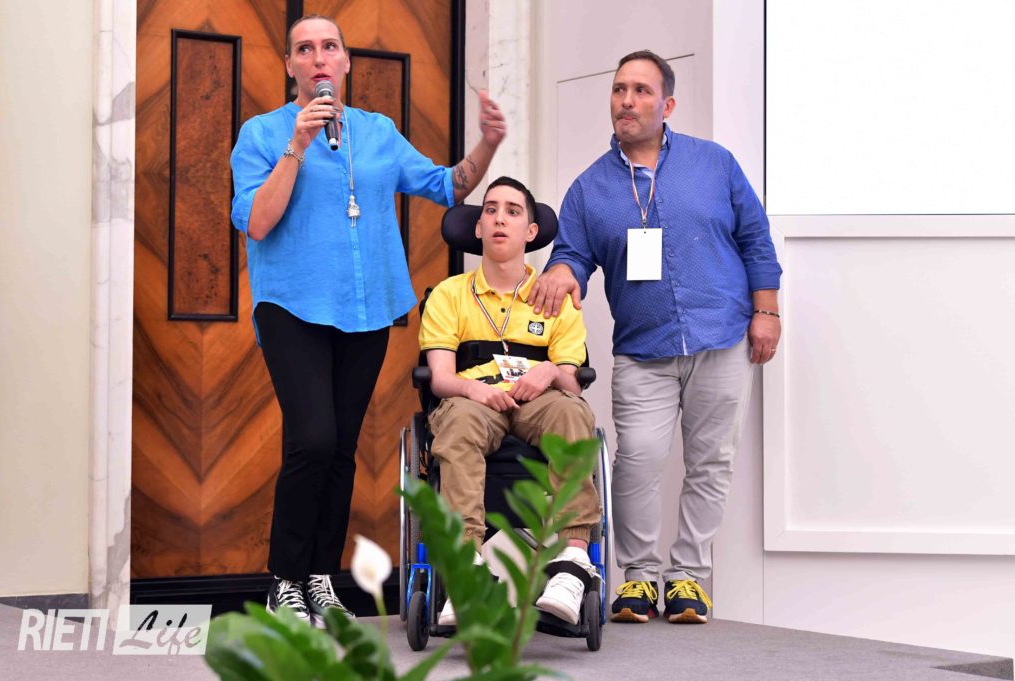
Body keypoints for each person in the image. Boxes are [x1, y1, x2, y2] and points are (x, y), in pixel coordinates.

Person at [229, 14, 506, 627]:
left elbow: (447, 185)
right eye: (305, 49)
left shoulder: (378, 132)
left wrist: (487, 144)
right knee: (313, 438)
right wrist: (297, 146)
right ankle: (284, 579)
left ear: (346, 62)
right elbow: (258, 222)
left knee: (341, 447)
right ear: (291, 66)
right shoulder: (262, 133)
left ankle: (320, 578)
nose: (319, 58)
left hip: (366, 308)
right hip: (293, 306)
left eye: (329, 47)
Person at [529, 50, 782, 624]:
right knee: (637, 462)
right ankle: (639, 577)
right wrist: (563, 269)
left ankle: (689, 576)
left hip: (721, 336)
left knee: (711, 463)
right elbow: (572, 253)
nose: (627, 100)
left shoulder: (714, 163)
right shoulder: (590, 188)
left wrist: (766, 310)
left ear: (667, 105)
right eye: (619, 89)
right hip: (643, 349)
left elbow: (755, 237)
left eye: (641, 91)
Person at [418, 176, 602, 626]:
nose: (500, 218)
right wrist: (473, 389)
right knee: (457, 422)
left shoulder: (555, 296)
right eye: (491, 210)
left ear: (531, 232)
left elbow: (574, 382)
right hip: (473, 400)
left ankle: (572, 563)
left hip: (540, 401)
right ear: (478, 227)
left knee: (572, 411)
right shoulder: (448, 295)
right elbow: (440, 378)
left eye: (513, 211)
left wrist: (551, 371)